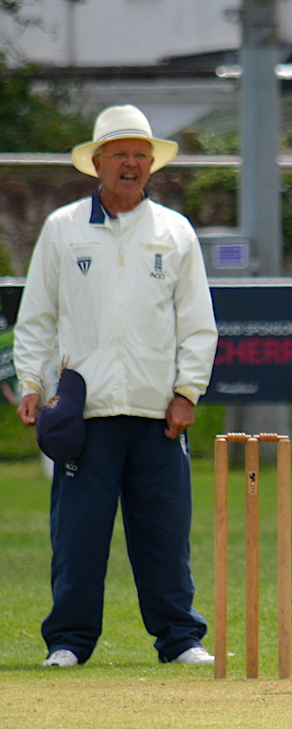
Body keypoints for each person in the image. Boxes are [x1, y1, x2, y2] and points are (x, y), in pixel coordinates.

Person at [14, 105, 219, 668]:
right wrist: (31, 381)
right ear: (97, 164)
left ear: (151, 163)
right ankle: (68, 642)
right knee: (78, 538)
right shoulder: (63, 229)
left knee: (164, 537)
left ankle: (180, 639)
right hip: (87, 414)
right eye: (119, 154)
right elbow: (37, 318)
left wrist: (187, 392)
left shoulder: (174, 232)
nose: (130, 163)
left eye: (139, 154)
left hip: (157, 413)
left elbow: (198, 322)